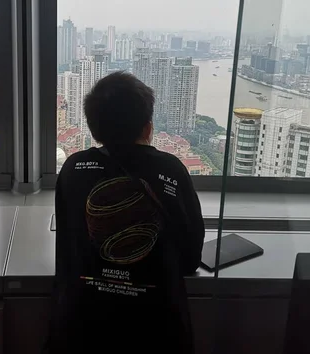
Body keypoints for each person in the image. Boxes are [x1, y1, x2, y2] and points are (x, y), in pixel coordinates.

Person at [47, 71, 205, 354]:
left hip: (80, 329)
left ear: (94, 131)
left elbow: (68, 241)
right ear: (147, 127)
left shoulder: (73, 169)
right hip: (156, 331)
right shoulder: (170, 170)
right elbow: (191, 256)